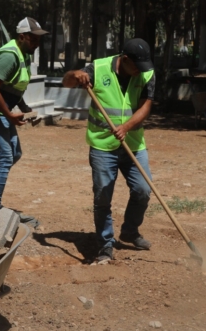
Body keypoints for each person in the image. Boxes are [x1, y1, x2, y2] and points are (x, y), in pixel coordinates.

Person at [61, 38, 156, 262]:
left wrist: (126, 127)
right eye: (136, 67)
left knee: (143, 190)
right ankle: (105, 244)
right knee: (103, 196)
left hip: (133, 143)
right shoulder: (98, 68)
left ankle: (130, 231)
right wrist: (75, 75)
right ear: (124, 60)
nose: (139, 72)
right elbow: (66, 82)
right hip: (103, 146)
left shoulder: (147, 73)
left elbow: (146, 105)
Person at [0, 17, 47, 226]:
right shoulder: (10, 56)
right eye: (34, 39)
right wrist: (9, 114)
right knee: (4, 157)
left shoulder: (24, 54)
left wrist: (24, 109)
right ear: (22, 37)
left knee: (15, 153)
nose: (37, 43)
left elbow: (11, 87)